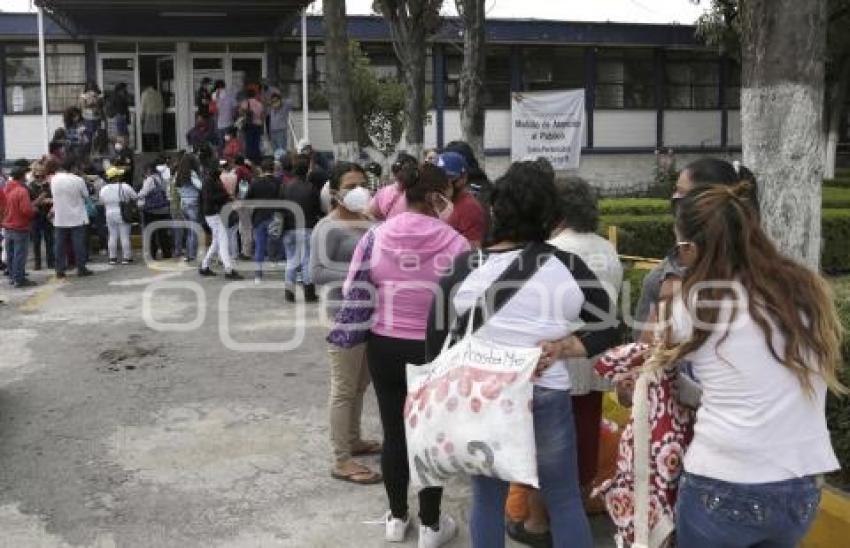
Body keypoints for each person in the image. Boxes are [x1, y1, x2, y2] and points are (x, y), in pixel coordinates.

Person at [426, 161, 618, 548]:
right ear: (552, 215)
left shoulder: (462, 269)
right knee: (563, 499)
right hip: (547, 393)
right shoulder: (566, 266)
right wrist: (566, 347)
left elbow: (433, 345)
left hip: (483, 398)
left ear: (497, 209)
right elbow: (612, 327)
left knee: (487, 499)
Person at [662, 181, 844, 548]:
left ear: (694, 248)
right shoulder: (804, 289)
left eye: (680, 249)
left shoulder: (694, 304)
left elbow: (657, 361)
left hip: (722, 480)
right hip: (799, 486)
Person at [346, 162, 468, 546]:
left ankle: (397, 519)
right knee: (429, 435)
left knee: (394, 432)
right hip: (434, 349)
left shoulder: (375, 236)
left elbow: (354, 286)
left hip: (384, 344)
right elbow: (467, 303)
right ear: (436, 197)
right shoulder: (456, 243)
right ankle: (431, 526)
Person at [506, 176, 624, 547]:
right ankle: (578, 514)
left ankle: (539, 523)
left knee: (545, 450)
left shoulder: (550, 252)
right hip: (592, 362)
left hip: (551, 364)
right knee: (586, 442)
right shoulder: (607, 249)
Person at [309, 162, 381, 485]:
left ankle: (354, 439)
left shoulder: (372, 221)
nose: (359, 190)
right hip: (341, 315)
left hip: (372, 314)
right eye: (351, 185)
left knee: (361, 384)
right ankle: (341, 459)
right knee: (343, 388)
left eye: (363, 183)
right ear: (336, 192)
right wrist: (360, 276)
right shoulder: (327, 227)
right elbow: (317, 273)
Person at [633, 158, 759, 340]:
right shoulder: (662, 280)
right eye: (675, 193)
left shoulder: (766, 277)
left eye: (681, 196)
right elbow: (641, 352)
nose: (675, 203)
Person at [281, 155, 322, 302]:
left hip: (289, 228)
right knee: (306, 261)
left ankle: (289, 293)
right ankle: (309, 293)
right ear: (307, 172)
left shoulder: (285, 186)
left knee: (291, 261)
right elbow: (317, 209)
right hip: (306, 227)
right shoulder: (311, 188)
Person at [2, 160, 45, 288]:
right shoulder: (21, 191)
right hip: (20, 226)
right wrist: (34, 209)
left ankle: (12, 276)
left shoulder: (6, 188)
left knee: (10, 253)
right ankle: (19, 279)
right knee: (20, 254)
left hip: (7, 225)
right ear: (22, 177)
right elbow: (26, 210)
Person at [51, 158, 93, 279]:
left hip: (60, 217)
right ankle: (81, 268)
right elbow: (86, 195)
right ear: (74, 167)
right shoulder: (78, 180)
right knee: (79, 244)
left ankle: (59, 270)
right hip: (77, 217)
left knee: (59, 245)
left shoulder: (54, 179)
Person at [199, 168, 242, 280]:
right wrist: (227, 196)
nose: (221, 170)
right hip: (213, 214)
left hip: (212, 214)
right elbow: (211, 198)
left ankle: (204, 266)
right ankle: (228, 269)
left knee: (216, 242)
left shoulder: (211, 179)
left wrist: (227, 196)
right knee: (223, 241)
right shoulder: (210, 181)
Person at [437, 151, 487, 246]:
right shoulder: (436, 202)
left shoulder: (470, 208)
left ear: (463, 178)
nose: (443, 183)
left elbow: (473, 249)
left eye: (449, 178)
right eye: (438, 177)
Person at [244, 157, 281, 282]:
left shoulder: (255, 182)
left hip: (259, 218)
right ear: (273, 169)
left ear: (261, 169)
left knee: (259, 246)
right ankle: (274, 261)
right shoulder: (278, 182)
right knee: (276, 241)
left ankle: (258, 275)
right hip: (274, 217)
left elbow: (247, 200)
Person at [99, 166, 137, 265]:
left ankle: (112, 258)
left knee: (112, 236)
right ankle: (126, 257)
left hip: (109, 213)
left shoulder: (103, 189)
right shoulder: (124, 186)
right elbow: (135, 196)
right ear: (116, 177)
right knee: (124, 236)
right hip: (122, 213)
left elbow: (102, 201)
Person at [138, 162, 173, 260]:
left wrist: (137, 196)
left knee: (151, 232)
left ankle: (152, 254)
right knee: (163, 232)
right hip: (164, 209)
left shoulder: (150, 179)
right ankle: (167, 253)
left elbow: (143, 193)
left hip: (152, 210)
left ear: (148, 170)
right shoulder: (161, 178)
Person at [368, 153, 417, 221]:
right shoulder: (384, 192)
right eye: (401, 169)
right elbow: (371, 213)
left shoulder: (421, 193)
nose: (404, 173)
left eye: (407, 170)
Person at [174, 153, 203, 263]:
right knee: (193, 230)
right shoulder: (192, 173)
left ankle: (188, 254)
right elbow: (200, 186)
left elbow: (177, 188)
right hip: (193, 203)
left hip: (183, 203)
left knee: (189, 230)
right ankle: (191, 254)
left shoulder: (179, 174)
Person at [28, 160, 55, 271]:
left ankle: (50, 262)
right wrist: (42, 199)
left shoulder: (49, 184)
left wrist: (41, 200)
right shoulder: (30, 186)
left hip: (48, 215)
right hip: (35, 216)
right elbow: (30, 203)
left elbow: (54, 199)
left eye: (42, 172)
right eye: (37, 172)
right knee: (36, 241)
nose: (39, 175)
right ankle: (37, 263)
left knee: (49, 240)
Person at [240, 88, 265, 163]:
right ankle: (257, 159)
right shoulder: (259, 104)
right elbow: (262, 116)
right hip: (258, 125)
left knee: (249, 142)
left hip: (249, 125)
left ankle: (249, 160)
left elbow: (241, 112)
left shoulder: (245, 102)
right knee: (256, 142)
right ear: (255, 95)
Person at [140, 84, 164, 152]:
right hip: (158, 115)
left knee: (148, 132)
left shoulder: (145, 94)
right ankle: (156, 147)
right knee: (156, 133)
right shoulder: (158, 94)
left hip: (149, 115)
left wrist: (142, 117)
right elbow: (162, 105)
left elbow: (143, 107)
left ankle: (150, 149)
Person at [212, 80, 236, 146]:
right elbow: (234, 109)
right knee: (228, 142)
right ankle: (227, 155)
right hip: (228, 124)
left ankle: (222, 155)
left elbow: (214, 111)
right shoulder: (230, 95)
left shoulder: (215, 97)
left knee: (221, 143)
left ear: (217, 87)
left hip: (220, 126)